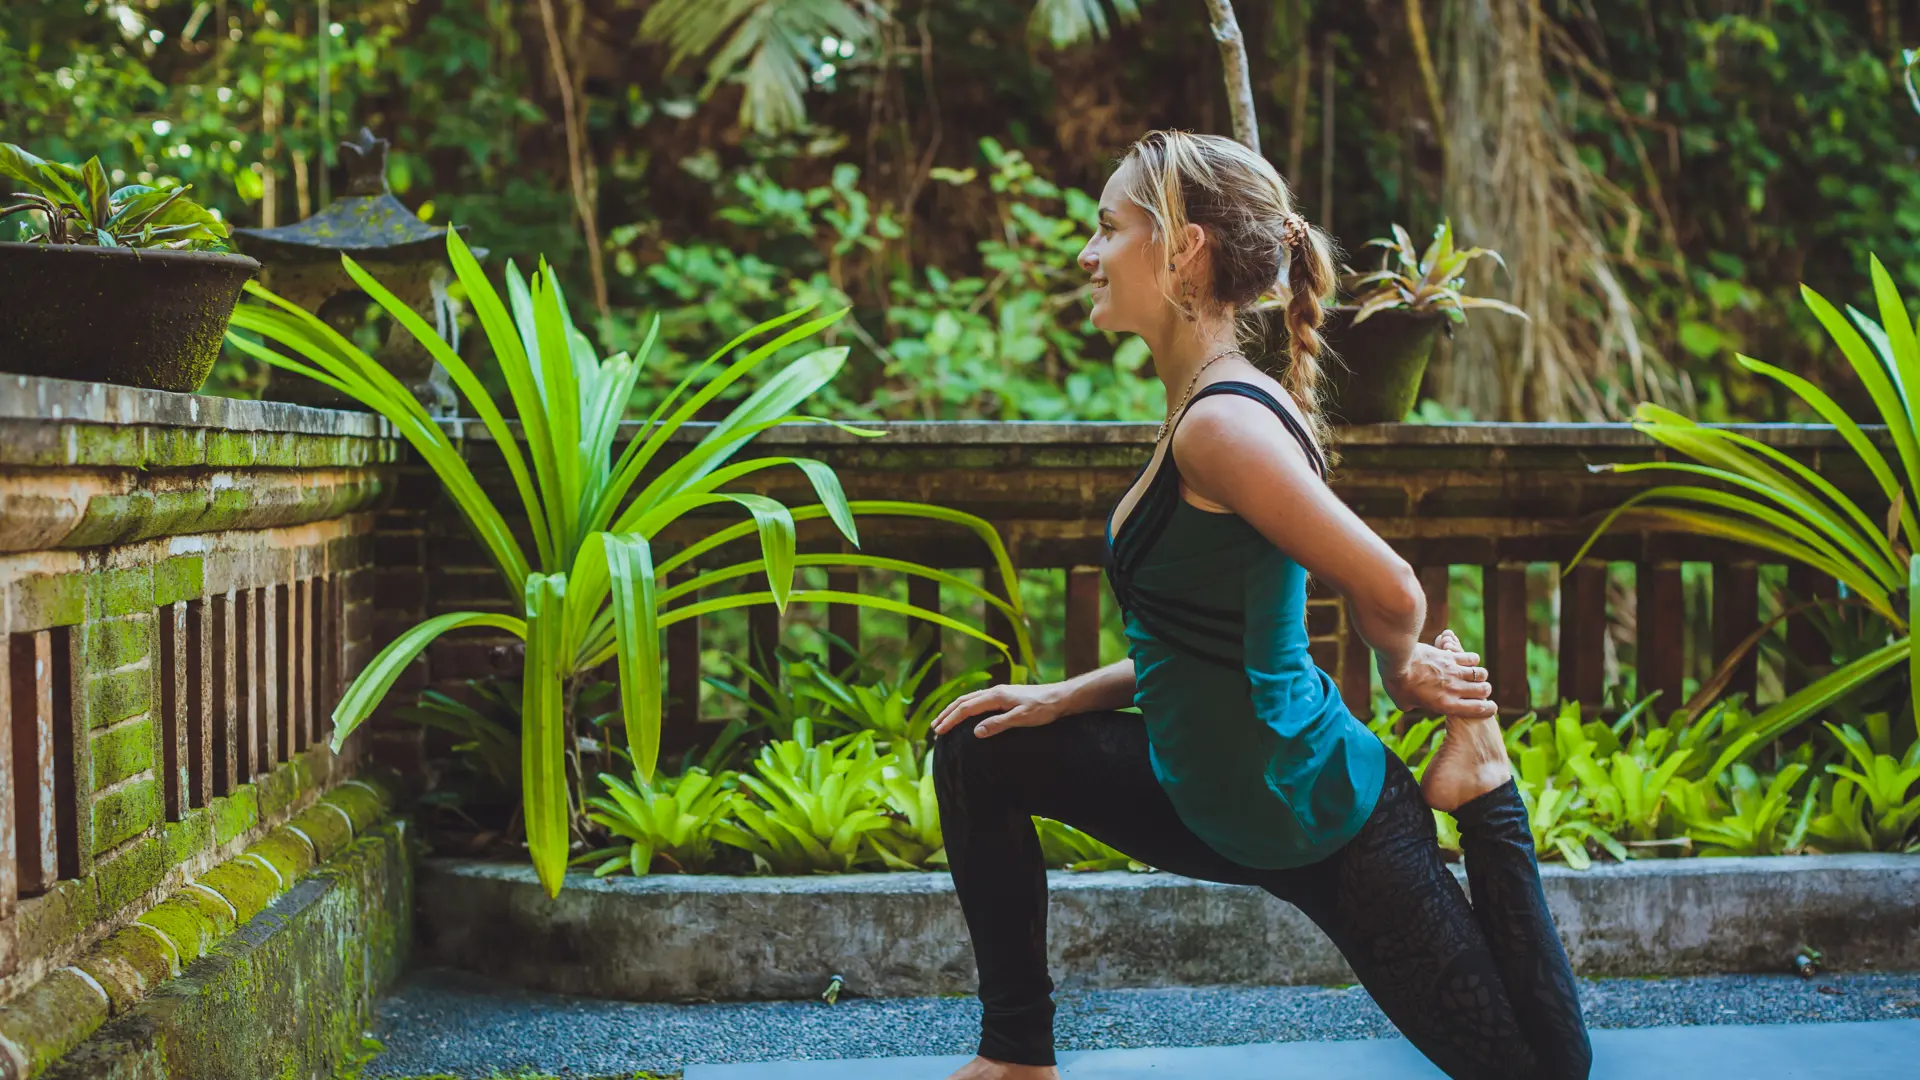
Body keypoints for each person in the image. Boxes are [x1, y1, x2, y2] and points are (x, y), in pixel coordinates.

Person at [928, 130, 1591, 1080]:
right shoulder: (1204, 408)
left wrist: (1404, 669)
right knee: (979, 749)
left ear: (1183, 249)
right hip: (1208, 796)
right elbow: (1204, 643)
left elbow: (1393, 586)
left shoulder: (1223, 427)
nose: (1086, 253)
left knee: (1543, 1073)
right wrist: (1063, 697)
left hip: (1314, 813)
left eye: (1108, 228)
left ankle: (1484, 784)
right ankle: (1016, 1058)